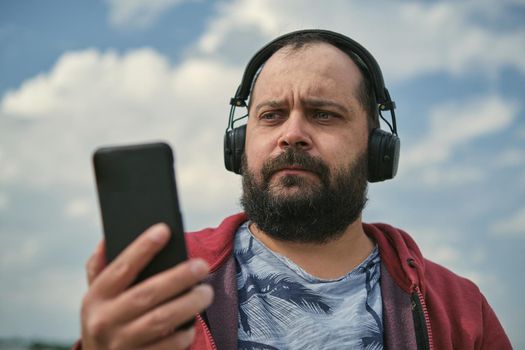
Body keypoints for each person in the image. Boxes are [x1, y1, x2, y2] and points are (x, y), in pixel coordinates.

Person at [77, 30, 512, 350]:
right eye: (271, 115)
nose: (293, 134)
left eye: (324, 115)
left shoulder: (457, 306)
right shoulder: (170, 278)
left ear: (377, 148)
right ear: (238, 146)